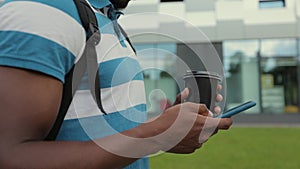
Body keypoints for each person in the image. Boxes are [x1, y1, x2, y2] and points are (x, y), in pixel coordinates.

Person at [0, 0, 232, 168]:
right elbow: (9, 156)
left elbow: (102, 132)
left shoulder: (106, 19)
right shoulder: (44, 10)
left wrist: (167, 128)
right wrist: (155, 134)